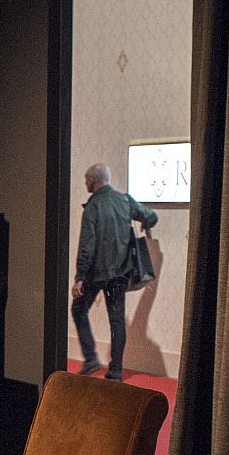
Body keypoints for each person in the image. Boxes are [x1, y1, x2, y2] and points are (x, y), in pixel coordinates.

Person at [71, 162, 156, 382]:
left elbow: (87, 246)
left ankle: (91, 359)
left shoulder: (92, 208)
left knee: (79, 309)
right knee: (116, 321)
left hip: (96, 274)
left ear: (93, 180)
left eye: (86, 178)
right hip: (120, 274)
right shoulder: (125, 201)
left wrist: (80, 277)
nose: (85, 182)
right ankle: (115, 371)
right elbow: (151, 216)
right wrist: (146, 224)